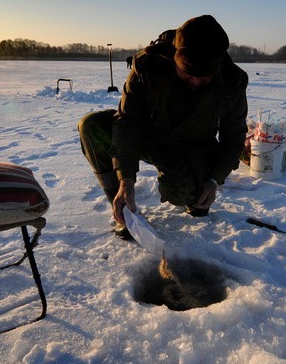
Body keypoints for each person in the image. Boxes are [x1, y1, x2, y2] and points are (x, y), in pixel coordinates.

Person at [77, 15, 248, 239]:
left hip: (193, 147)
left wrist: (213, 179)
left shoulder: (232, 82)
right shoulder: (147, 66)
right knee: (92, 125)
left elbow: (233, 139)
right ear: (175, 58)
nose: (195, 81)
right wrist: (125, 178)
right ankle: (123, 211)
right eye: (188, 71)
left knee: (187, 195)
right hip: (149, 137)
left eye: (204, 75)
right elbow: (128, 122)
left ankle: (195, 191)